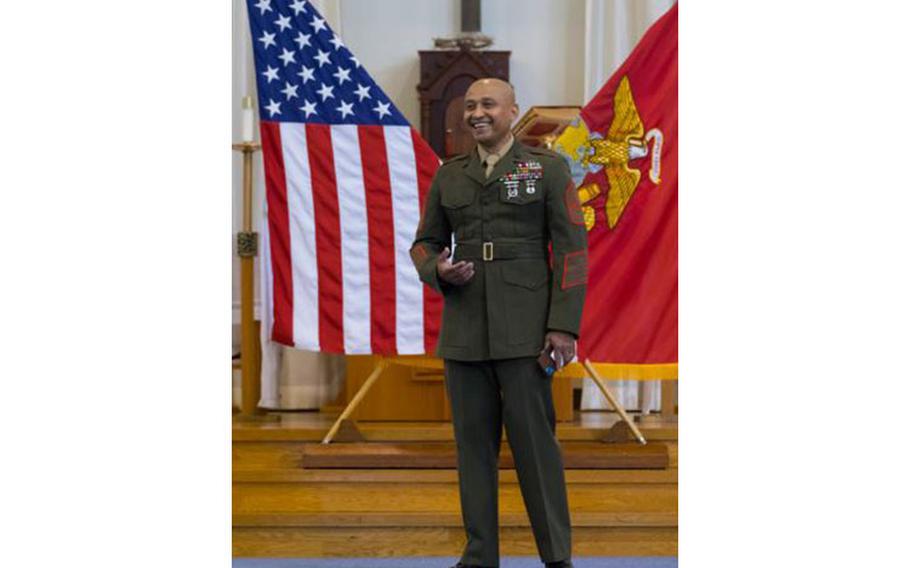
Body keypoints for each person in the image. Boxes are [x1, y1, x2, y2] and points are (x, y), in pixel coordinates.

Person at [410, 78, 588, 568]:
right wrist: (437, 270)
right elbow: (423, 242)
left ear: (512, 110)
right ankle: (480, 557)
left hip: (526, 331)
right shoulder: (449, 175)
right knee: (473, 452)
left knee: (537, 450)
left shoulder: (546, 169)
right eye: (470, 106)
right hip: (465, 330)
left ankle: (556, 558)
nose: (477, 113)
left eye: (488, 104)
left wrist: (563, 327)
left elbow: (572, 252)